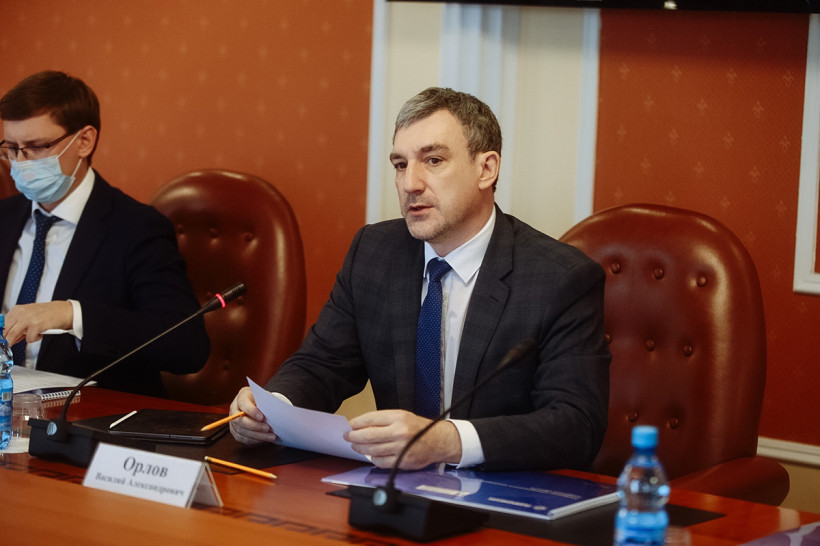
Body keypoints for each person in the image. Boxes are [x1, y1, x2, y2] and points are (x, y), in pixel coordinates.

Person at [229, 87, 610, 471]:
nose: (410, 183)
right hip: (394, 488)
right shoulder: (374, 252)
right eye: (400, 164)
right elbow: (322, 364)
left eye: (433, 160)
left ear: (486, 169)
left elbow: (576, 424)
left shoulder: (560, 279)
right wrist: (272, 409)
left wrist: (447, 441)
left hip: (504, 490)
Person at [0, 70, 208, 396]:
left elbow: (186, 344)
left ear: (84, 141)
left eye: (37, 147)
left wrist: (72, 314)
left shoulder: (137, 227)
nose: (20, 162)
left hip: (88, 412)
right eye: (11, 148)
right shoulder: (5, 217)